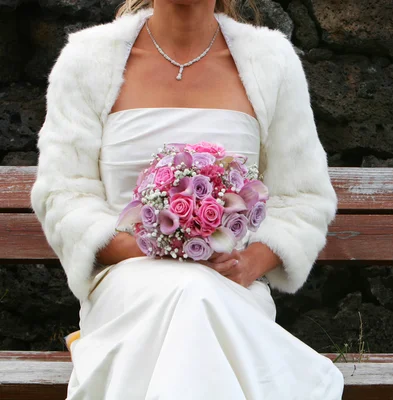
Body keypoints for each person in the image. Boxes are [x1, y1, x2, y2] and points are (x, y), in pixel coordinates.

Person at [30, 0, 344, 398]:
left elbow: (303, 197)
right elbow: (64, 193)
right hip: (128, 283)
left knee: (197, 295)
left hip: (227, 288)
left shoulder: (271, 61)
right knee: (187, 293)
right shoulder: (88, 59)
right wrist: (145, 248)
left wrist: (247, 264)